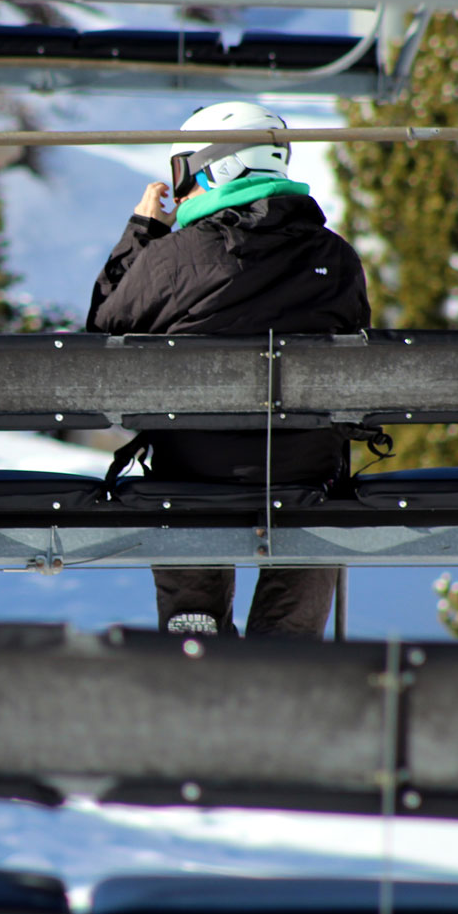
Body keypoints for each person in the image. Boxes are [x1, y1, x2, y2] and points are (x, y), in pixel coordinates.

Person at [85, 101, 371, 638]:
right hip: (303, 476)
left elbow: (105, 330)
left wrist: (144, 229)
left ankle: (194, 637)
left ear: (218, 167)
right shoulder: (337, 258)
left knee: (184, 497)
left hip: (191, 476)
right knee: (316, 506)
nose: (183, 188)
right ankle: (287, 649)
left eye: (183, 172)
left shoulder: (173, 257)